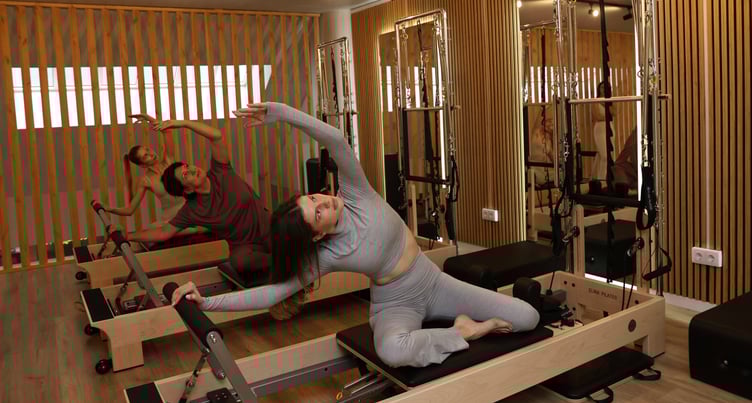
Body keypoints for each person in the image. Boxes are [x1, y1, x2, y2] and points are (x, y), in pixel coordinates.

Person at [171, 102, 540, 369]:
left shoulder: (356, 192)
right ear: (316, 236)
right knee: (393, 352)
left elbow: (335, 139)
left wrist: (281, 114)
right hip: (395, 304)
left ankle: (463, 324)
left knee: (527, 317)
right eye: (317, 213)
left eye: (314, 198)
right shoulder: (328, 254)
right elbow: (274, 292)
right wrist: (208, 303)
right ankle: (465, 332)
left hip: (434, 282)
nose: (325, 203)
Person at [107, 117, 271, 278]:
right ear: (188, 189)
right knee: (240, 262)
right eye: (186, 175)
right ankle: (281, 262)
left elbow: (215, 135)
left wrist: (183, 123)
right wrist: (128, 235)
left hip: (268, 227)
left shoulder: (221, 171)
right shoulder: (192, 210)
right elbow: (164, 232)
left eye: (187, 166)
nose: (192, 169)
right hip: (243, 246)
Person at [591, 81, 615, 180]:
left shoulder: (610, 101)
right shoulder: (595, 101)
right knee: (605, 155)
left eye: (605, 88)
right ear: (598, 89)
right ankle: (602, 179)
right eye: (601, 88)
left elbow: (614, 113)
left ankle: (595, 178)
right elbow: (597, 116)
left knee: (606, 154)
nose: (603, 90)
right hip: (600, 128)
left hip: (610, 127)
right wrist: (607, 114)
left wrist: (606, 103)